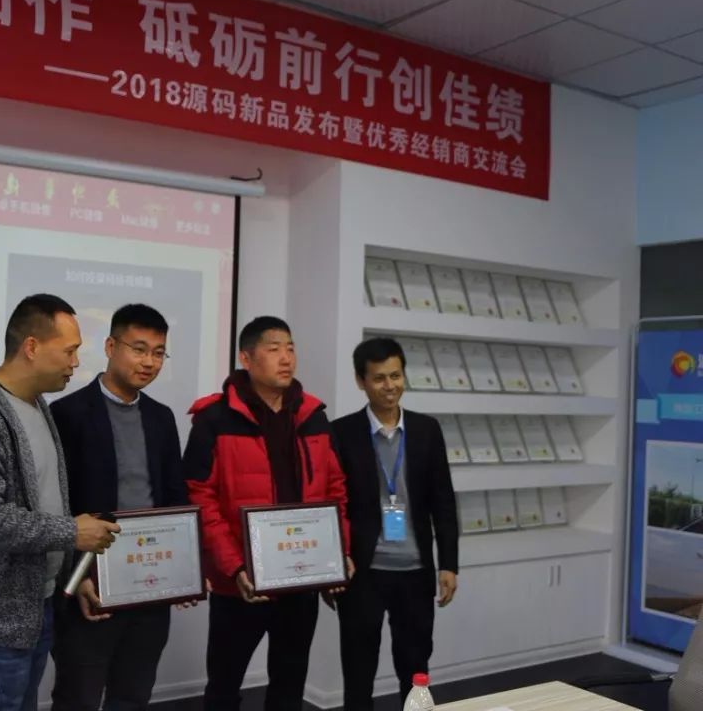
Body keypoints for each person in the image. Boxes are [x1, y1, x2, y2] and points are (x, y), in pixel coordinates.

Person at [0, 293, 121, 711]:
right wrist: (73, 532)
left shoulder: (36, 405)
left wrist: (72, 574)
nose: (76, 363)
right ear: (31, 346)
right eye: (69, 351)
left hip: (35, 606)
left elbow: (47, 502)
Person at [183, 316, 352, 711]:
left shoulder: (313, 415)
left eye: (290, 348)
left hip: (302, 578)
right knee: (224, 686)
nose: (286, 358)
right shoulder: (214, 419)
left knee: (289, 686)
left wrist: (338, 551)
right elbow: (200, 498)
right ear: (247, 358)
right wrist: (234, 566)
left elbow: (335, 490)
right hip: (242, 582)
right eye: (274, 349)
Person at [49, 303, 188, 711]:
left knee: (133, 694)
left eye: (158, 353)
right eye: (139, 349)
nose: (149, 362)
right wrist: (75, 575)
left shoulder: (161, 418)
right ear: (111, 347)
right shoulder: (67, 414)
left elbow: (174, 497)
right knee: (78, 697)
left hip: (150, 585)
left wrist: (185, 568)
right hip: (90, 585)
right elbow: (56, 507)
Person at [330, 337, 460, 710]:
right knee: (358, 674)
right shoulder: (341, 433)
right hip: (362, 574)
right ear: (361, 381)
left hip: (415, 572)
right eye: (379, 378)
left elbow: (443, 501)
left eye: (396, 375)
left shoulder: (426, 430)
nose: (390, 386)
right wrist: (333, 563)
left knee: (415, 671)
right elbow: (333, 505)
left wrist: (449, 563)